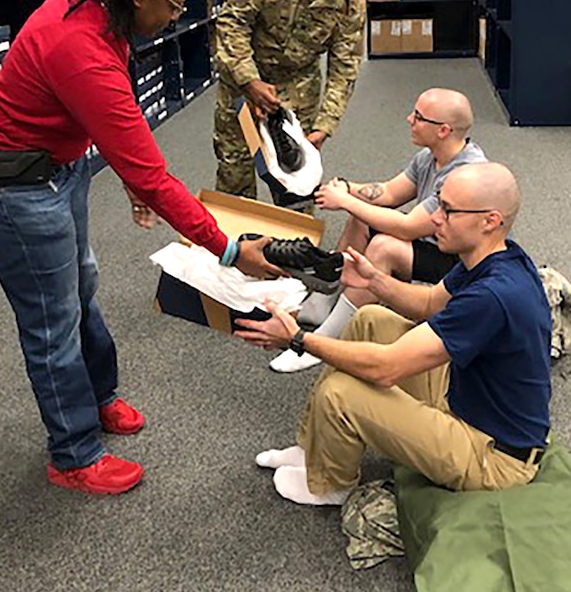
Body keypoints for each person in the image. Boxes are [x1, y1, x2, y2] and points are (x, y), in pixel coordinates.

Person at [0, 0, 281, 496]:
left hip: (53, 166)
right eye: (175, 5)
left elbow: (110, 121)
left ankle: (97, 398)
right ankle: (73, 454)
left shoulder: (104, 7)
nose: (177, 17)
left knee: (82, 286)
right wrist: (227, 249)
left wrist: (127, 175)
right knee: (51, 321)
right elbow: (151, 171)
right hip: (6, 182)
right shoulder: (78, 45)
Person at [236, 163, 552, 505]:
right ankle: (313, 449)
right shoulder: (495, 256)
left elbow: (385, 368)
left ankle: (330, 485)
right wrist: (376, 282)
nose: (435, 219)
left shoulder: (492, 295)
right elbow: (431, 301)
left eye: (448, 211)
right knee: (369, 319)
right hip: (466, 398)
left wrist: (298, 339)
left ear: (490, 220)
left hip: (494, 457)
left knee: (341, 392)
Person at [270, 87, 487, 373]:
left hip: (463, 267)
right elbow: (388, 193)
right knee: (361, 216)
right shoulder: (429, 156)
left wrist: (345, 201)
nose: (410, 119)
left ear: (443, 130)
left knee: (384, 247)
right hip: (434, 243)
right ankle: (324, 303)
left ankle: (323, 341)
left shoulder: (463, 174)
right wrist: (349, 190)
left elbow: (409, 227)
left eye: (419, 117)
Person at [213, 0, 369, 199]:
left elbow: (344, 67)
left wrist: (325, 125)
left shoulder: (351, 5)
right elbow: (232, 22)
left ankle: (295, 239)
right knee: (235, 171)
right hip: (243, 79)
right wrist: (249, 80)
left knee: (297, 179)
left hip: (298, 86)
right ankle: (239, 239)